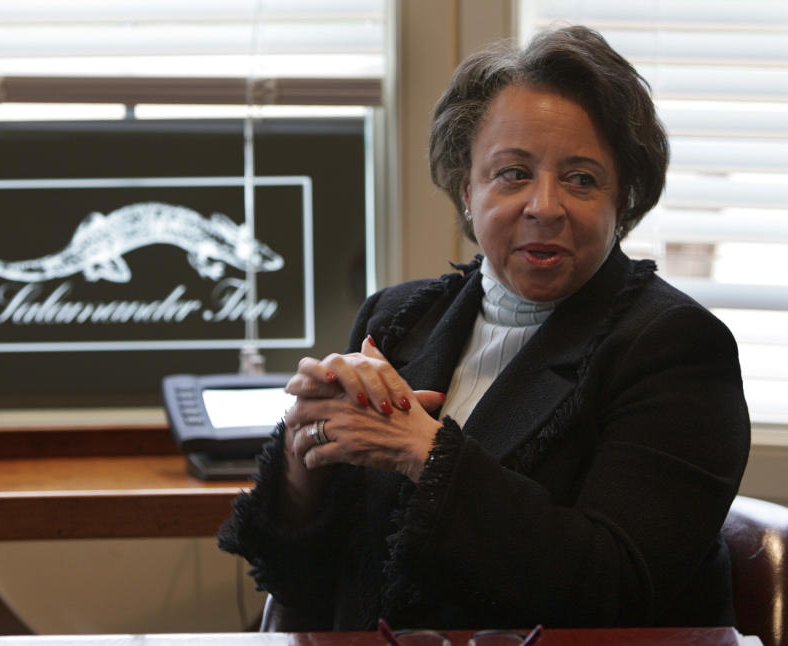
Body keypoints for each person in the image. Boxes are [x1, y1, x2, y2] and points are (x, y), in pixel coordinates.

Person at [218, 25, 750, 632]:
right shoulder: (395, 319)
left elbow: (617, 591)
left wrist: (426, 453)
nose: (544, 206)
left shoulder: (675, 348)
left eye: (581, 178)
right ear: (466, 189)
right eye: (512, 173)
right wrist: (302, 449)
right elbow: (302, 580)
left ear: (623, 197)